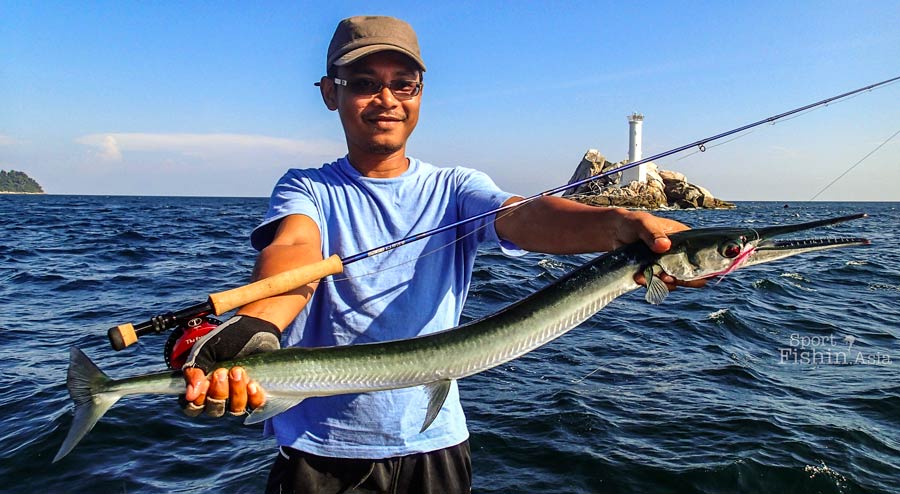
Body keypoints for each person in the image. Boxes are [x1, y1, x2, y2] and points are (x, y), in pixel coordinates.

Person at [181, 15, 703, 493]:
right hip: (319, 455)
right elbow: (294, 250)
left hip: (435, 446)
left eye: (402, 84)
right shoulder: (306, 188)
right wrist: (257, 327)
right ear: (329, 94)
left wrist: (620, 224)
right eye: (363, 84)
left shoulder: (457, 187)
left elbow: (523, 218)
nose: (386, 98)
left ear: (421, 93)